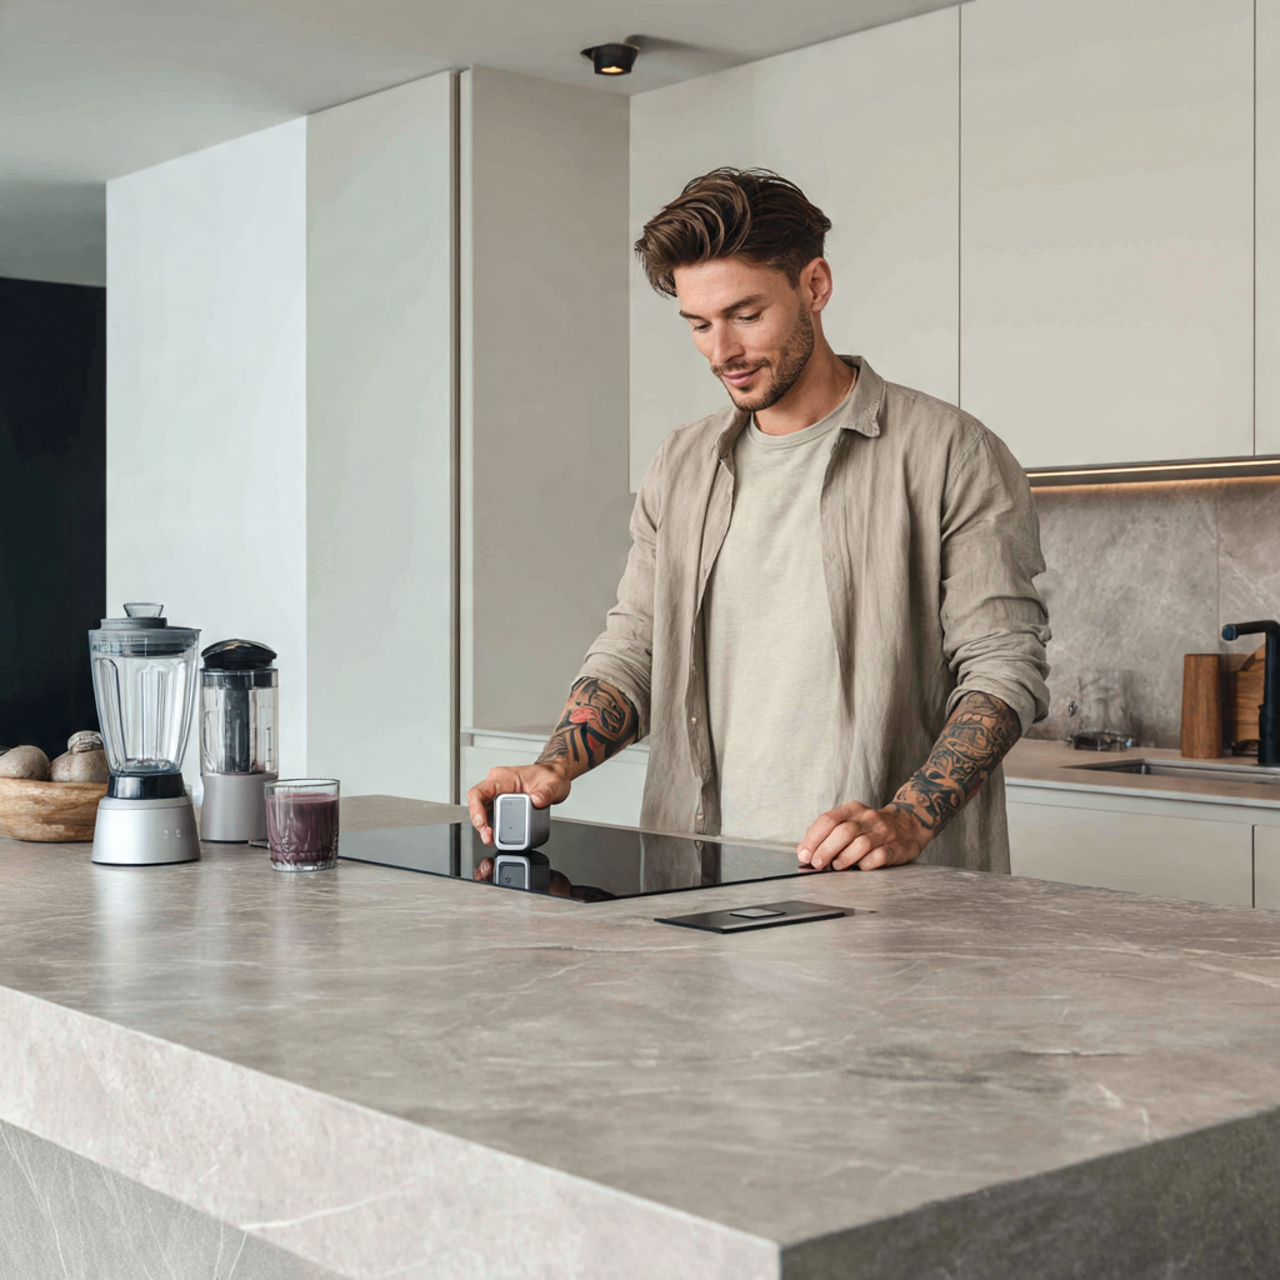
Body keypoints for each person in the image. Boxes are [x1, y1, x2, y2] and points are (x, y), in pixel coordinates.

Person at [469, 168, 1049, 874]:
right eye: (699, 324)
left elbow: (1003, 666)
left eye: (746, 316)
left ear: (814, 286)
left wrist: (908, 817)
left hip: (884, 896)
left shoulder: (952, 453)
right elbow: (635, 648)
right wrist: (552, 766)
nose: (722, 352)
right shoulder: (681, 464)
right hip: (695, 886)